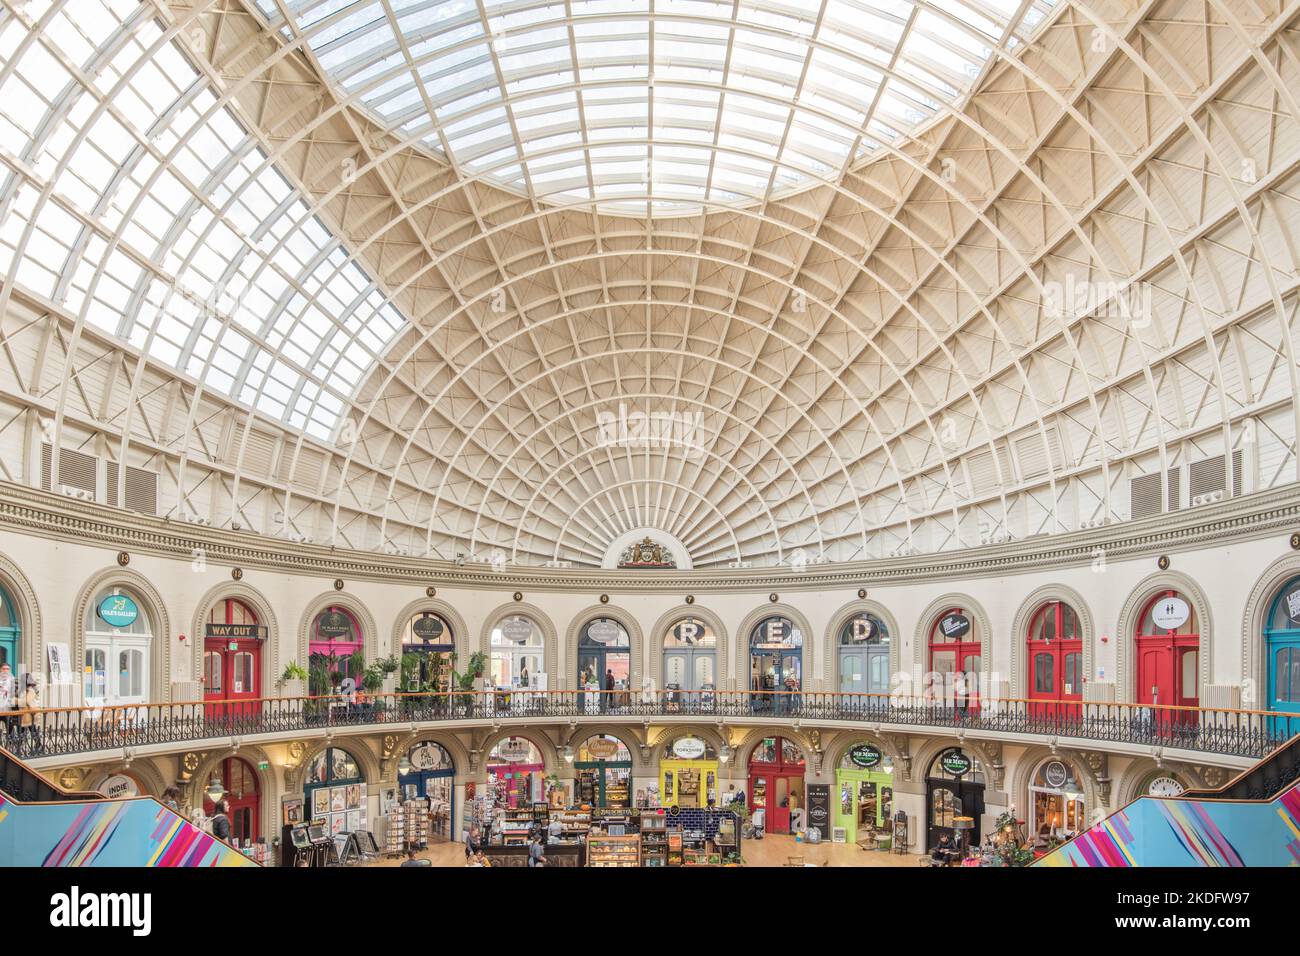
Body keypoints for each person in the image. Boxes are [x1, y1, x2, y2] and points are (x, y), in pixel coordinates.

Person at [17, 674, 39, 755]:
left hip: (29, 715)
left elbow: (26, 701)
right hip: (24, 714)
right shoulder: (23, 690)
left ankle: (38, 746)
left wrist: (15, 700)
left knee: (31, 730)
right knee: (23, 731)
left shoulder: (31, 690)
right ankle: (19, 749)